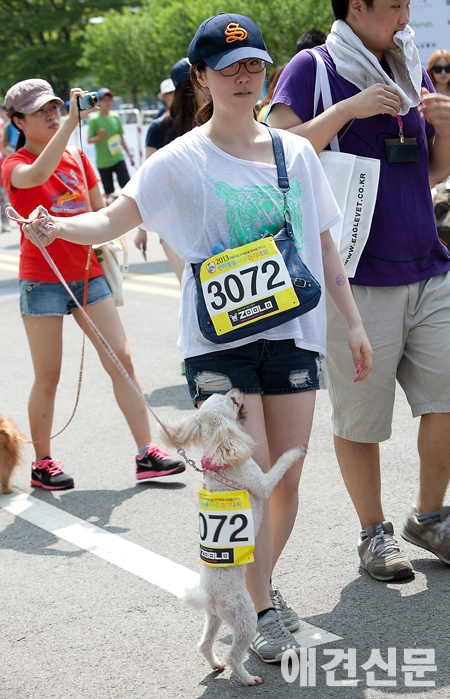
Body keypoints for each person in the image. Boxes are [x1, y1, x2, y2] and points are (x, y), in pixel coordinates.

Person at [23, 13, 372, 662]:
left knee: (285, 481)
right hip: (218, 345)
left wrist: (351, 322)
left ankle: (256, 583)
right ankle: (259, 609)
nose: (245, 77)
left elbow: (323, 240)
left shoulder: (295, 152)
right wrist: (58, 228)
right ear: (202, 78)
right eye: (228, 66)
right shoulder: (179, 159)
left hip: (294, 335)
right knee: (243, 481)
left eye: (254, 65)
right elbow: (113, 217)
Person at [268, 0, 450, 582]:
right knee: (361, 419)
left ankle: (428, 515)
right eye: (394, 4)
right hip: (354, 277)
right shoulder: (312, 68)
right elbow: (276, 152)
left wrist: (445, 127)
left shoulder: (409, 66)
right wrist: (350, 108)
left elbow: (431, 172)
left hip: (428, 262)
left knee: (445, 401)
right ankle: (375, 534)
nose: (404, 16)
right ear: (357, 6)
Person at [2, 78, 185, 490]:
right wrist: (69, 122)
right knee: (48, 375)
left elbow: (100, 210)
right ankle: (43, 462)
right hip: (42, 280)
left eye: (54, 108)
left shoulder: (79, 155)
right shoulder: (14, 165)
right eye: (41, 112)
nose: (51, 116)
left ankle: (147, 453)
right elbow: (38, 173)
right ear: (17, 120)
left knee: (121, 358)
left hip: (88, 273)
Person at [139, 57, 209, 283]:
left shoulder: (216, 122)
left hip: (212, 218)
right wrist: (141, 228)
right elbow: (147, 183)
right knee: (193, 290)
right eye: (201, 83)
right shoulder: (160, 127)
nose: (208, 89)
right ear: (186, 89)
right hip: (174, 226)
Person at [87, 87, 134, 204]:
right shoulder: (94, 119)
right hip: (104, 162)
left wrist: (130, 154)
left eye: (110, 99)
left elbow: (121, 137)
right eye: (104, 100)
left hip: (118, 157)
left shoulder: (116, 117)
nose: (107, 102)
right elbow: (89, 140)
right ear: (99, 101)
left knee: (128, 187)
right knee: (109, 194)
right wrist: (99, 137)